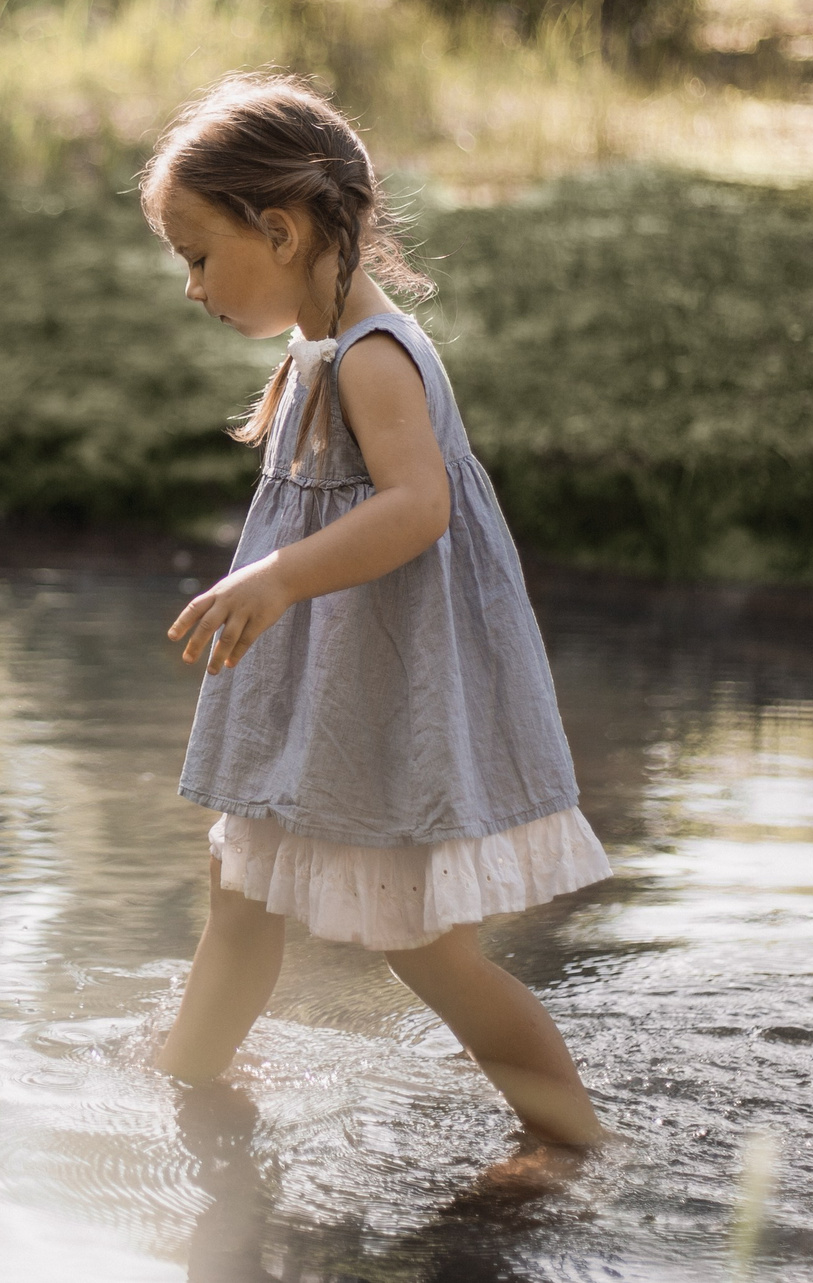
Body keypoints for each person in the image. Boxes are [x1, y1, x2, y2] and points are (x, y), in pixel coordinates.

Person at [141, 74, 614, 1161]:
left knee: (428, 951)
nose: (192, 287)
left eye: (198, 255)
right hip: (321, 707)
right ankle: (183, 1089)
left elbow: (417, 506)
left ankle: (575, 1145)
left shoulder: (376, 353)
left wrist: (275, 579)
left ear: (281, 228)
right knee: (238, 900)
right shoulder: (318, 354)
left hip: (382, 709)